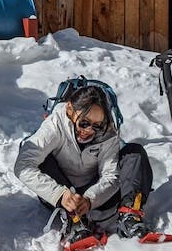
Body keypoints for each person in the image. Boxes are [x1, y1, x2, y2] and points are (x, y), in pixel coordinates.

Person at [14, 84, 156, 241]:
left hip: (96, 194)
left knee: (135, 152)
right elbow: (23, 165)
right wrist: (59, 194)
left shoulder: (108, 132)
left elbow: (111, 176)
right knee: (41, 158)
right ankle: (73, 221)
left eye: (97, 125)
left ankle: (130, 216)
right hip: (61, 193)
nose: (89, 130)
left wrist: (90, 199)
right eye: (84, 123)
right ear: (70, 109)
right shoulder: (54, 125)